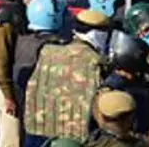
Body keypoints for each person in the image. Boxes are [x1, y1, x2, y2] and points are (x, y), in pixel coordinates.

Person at [24, 9, 110, 144]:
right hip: (74, 138)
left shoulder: (47, 52)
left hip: (38, 131)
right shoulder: (96, 61)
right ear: (97, 34)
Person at [0, 0, 41, 147]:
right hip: (7, 90)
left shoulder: (18, 16)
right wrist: (8, 96)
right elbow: (0, 60)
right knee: (10, 141)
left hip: (15, 89)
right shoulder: (5, 19)